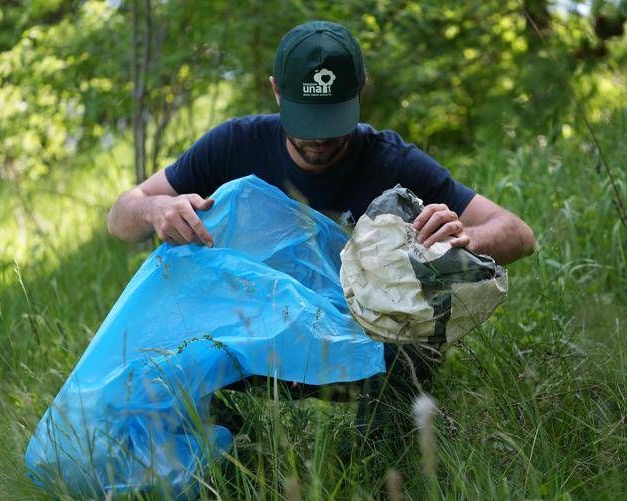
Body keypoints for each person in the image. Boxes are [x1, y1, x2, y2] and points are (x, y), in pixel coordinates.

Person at [107, 20, 535, 441]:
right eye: (305, 120)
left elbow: (518, 233)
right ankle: (231, 451)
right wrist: (156, 209)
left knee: (411, 349)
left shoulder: (391, 161)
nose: (319, 139)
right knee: (160, 343)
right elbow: (120, 217)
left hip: (358, 344)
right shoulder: (234, 145)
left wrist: (462, 239)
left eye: (333, 120)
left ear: (359, 91)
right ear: (277, 91)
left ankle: (386, 449)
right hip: (249, 336)